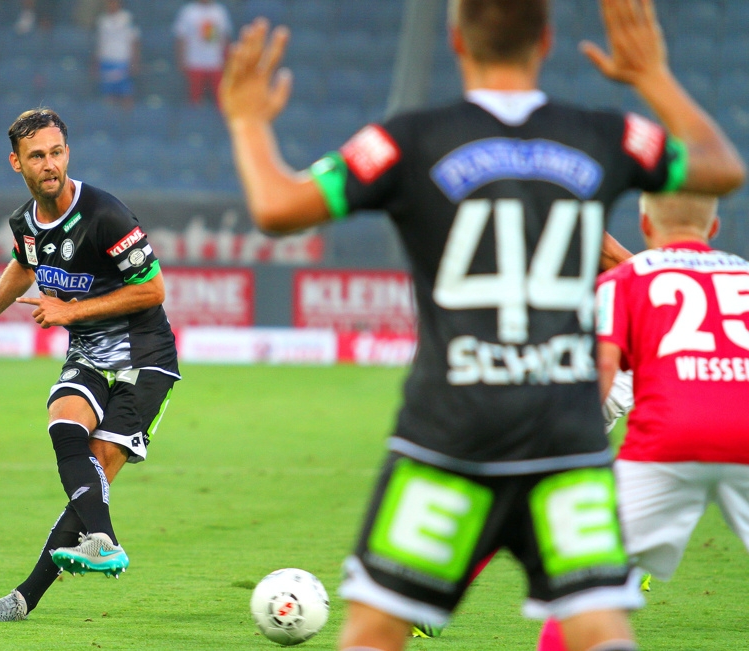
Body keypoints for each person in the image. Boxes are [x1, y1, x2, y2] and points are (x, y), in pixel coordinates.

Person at [218, 0, 745, 649]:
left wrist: (246, 120)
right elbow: (721, 169)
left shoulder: (404, 139)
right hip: (565, 437)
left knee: (375, 630)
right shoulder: (605, 134)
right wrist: (651, 76)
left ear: (456, 39)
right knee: (597, 627)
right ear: (547, 40)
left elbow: (276, 207)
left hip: (451, 433)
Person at [0, 108, 180, 622]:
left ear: (67, 154)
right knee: (63, 420)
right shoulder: (26, 222)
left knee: (96, 473)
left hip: (144, 358)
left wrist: (70, 310)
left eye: (56, 152)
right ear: (17, 163)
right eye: (37, 155)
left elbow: (153, 288)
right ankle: (102, 540)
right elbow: (23, 263)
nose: (49, 164)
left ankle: (23, 600)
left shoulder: (105, 213)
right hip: (88, 352)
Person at [596, 192, 749, 597]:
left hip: (667, 417)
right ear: (714, 228)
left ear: (645, 225)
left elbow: (606, 364)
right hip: (738, 414)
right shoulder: (744, 274)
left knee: (594, 574)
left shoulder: (628, 275)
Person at [173, 0, 232, 105]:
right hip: (194, 62)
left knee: (221, 99)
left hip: (215, 62)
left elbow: (225, 38)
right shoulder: (188, 12)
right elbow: (181, 38)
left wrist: (226, 60)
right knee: (195, 99)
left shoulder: (220, 11)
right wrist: (181, 60)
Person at [95, 0, 140, 108]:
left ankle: (127, 122)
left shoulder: (127, 18)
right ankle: (109, 121)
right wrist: (96, 63)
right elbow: (99, 43)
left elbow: (134, 40)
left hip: (122, 60)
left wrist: (135, 61)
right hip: (106, 60)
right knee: (108, 94)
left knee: (126, 93)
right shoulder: (102, 20)